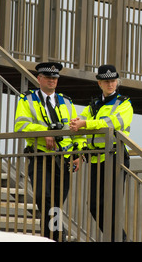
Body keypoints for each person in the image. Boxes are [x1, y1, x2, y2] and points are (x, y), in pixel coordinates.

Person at [14, 62, 85, 241]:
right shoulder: (27, 99)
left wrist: (79, 154)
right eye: (48, 77)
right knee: (42, 196)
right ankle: (56, 234)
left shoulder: (67, 101)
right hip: (40, 156)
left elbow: (76, 131)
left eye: (55, 78)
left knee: (55, 203)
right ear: (39, 79)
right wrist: (43, 131)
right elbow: (20, 126)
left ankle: (50, 237)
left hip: (64, 159)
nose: (52, 80)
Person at [69, 64, 133, 241]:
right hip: (97, 159)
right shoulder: (93, 105)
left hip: (116, 158)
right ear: (100, 83)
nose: (110, 84)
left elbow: (112, 123)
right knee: (95, 207)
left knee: (109, 207)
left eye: (113, 81)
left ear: (117, 82)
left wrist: (86, 124)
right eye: (106, 81)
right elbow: (81, 123)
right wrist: (77, 126)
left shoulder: (124, 103)